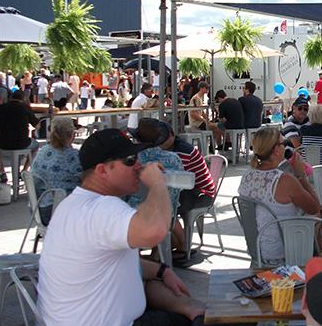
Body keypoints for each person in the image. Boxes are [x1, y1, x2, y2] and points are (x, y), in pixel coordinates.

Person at [37, 129, 205, 325]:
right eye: (129, 160)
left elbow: (112, 262)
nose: (139, 165)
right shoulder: (101, 208)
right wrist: (158, 184)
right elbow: (156, 231)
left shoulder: (73, 204)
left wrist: (161, 271)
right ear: (102, 170)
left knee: (175, 302)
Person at [238, 127, 322, 264]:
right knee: (318, 217)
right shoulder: (284, 180)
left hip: (257, 249)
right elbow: (315, 208)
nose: (286, 146)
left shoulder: (247, 176)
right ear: (276, 150)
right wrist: (301, 175)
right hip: (284, 252)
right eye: (284, 143)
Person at [130, 119, 194, 260]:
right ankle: (158, 255)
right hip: (167, 215)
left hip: (134, 219)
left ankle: (136, 259)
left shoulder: (131, 161)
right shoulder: (174, 159)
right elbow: (178, 191)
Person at [31, 117, 82, 225]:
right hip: (59, 213)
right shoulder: (73, 156)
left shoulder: (43, 151)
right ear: (72, 135)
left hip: (38, 209)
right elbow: (88, 181)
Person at [0, 90, 40, 183]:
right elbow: (37, 125)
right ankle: (25, 170)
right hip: (23, 143)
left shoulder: (1, 108)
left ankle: (2, 171)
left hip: (3, 143)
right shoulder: (25, 108)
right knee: (36, 146)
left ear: (10, 98)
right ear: (23, 99)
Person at [189, 81, 221, 149]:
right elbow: (192, 114)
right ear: (201, 88)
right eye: (206, 88)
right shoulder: (195, 98)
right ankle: (213, 146)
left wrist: (207, 119)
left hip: (201, 121)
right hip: (196, 123)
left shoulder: (201, 98)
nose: (208, 90)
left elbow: (201, 112)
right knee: (216, 128)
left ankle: (212, 145)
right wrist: (204, 120)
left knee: (215, 127)